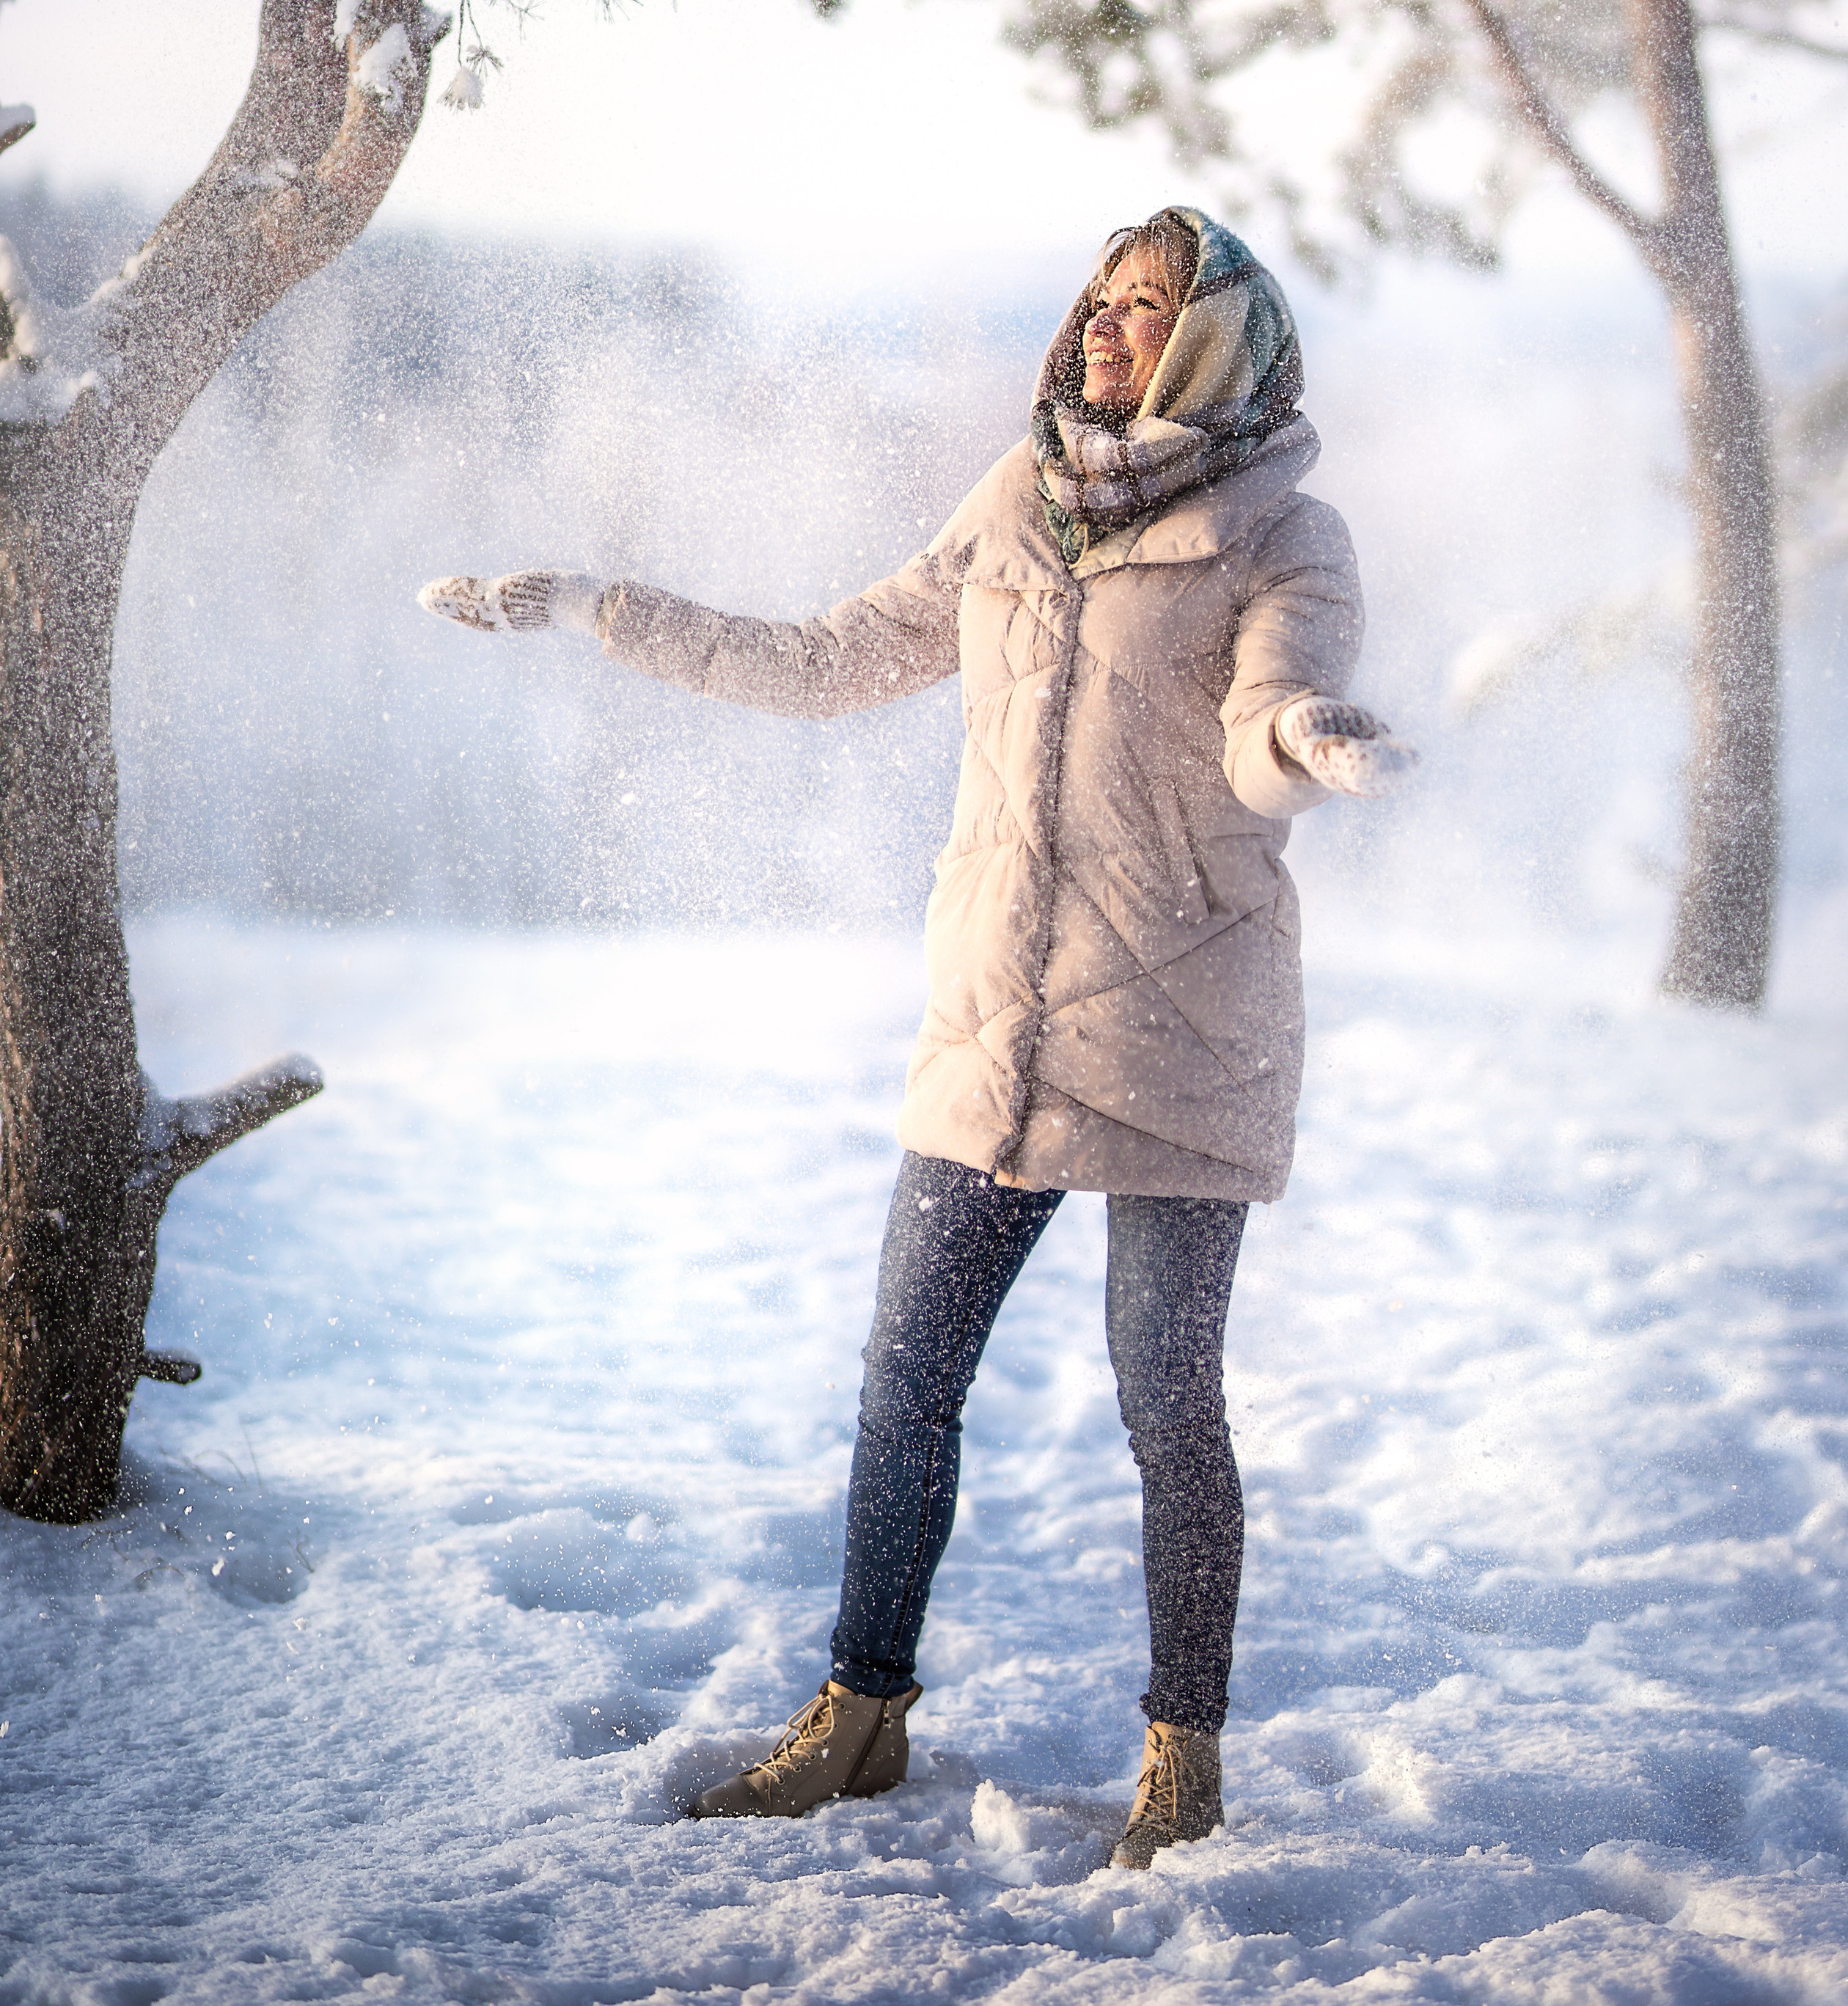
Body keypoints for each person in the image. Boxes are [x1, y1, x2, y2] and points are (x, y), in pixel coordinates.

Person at [419, 206, 1413, 1867]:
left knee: (1166, 1398)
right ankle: (860, 1714)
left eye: (1146, 305)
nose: (1105, 327)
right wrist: (600, 606)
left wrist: (1309, 739)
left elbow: (1258, 727)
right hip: (993, 1019)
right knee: (906, 1379)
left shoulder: (1283, 534)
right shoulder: (1019, 496)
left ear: (1215, 341)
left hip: (1184, 1015)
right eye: (1100, 300)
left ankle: (1183, 1758)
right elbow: (825, 662)